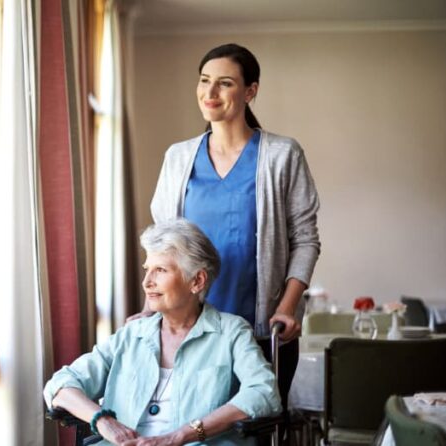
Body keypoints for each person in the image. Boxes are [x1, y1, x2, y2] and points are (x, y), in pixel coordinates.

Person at [133, 43, 320, 413]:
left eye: (225, 83)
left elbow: (306, 239)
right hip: (187, 330)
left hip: (262, 331)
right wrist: (149, 307)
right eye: (204, 81)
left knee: (253, 429)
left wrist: (286, 308)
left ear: (250, 91)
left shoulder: (282, 154)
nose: (210, 93)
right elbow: (162, 245)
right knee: (190, 429)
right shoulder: (178, 157)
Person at [44, 219, 281, 445]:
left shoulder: (231, 332)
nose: (147, 281)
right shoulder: (131, 335)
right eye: (147, 269)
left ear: (197, 281)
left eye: (160, 270)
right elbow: (61, 384)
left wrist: (180, 436)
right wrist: (103, 420)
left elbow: (263, 392)